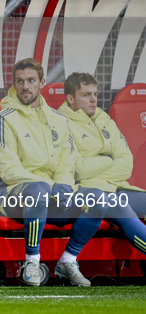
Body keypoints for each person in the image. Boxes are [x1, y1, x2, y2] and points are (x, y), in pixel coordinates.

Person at [0, 58, 107, 287]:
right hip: (9, 194)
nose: (25, 86)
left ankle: (68, 261)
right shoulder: (3, 120)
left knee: (98, 196)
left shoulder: (59, 119)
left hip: (49, 194)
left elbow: (67, 162)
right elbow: (9, 171)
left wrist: (63, 185)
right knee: (39, 190)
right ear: (13, 84)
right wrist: (51, 186)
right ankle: (31, 262)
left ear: (42, 82)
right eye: (19, 81)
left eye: (31, 80)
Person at [59, 72, 146, 254]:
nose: (93, 100)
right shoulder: (59, 123)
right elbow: (77, 170)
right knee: (123, 210)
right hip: (90, 194)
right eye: (86, 95)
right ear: (70, 98)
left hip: (119, 188)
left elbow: (126, 164)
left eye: (95, 94)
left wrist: (98, 166)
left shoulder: (104, 119)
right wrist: (108, 159)